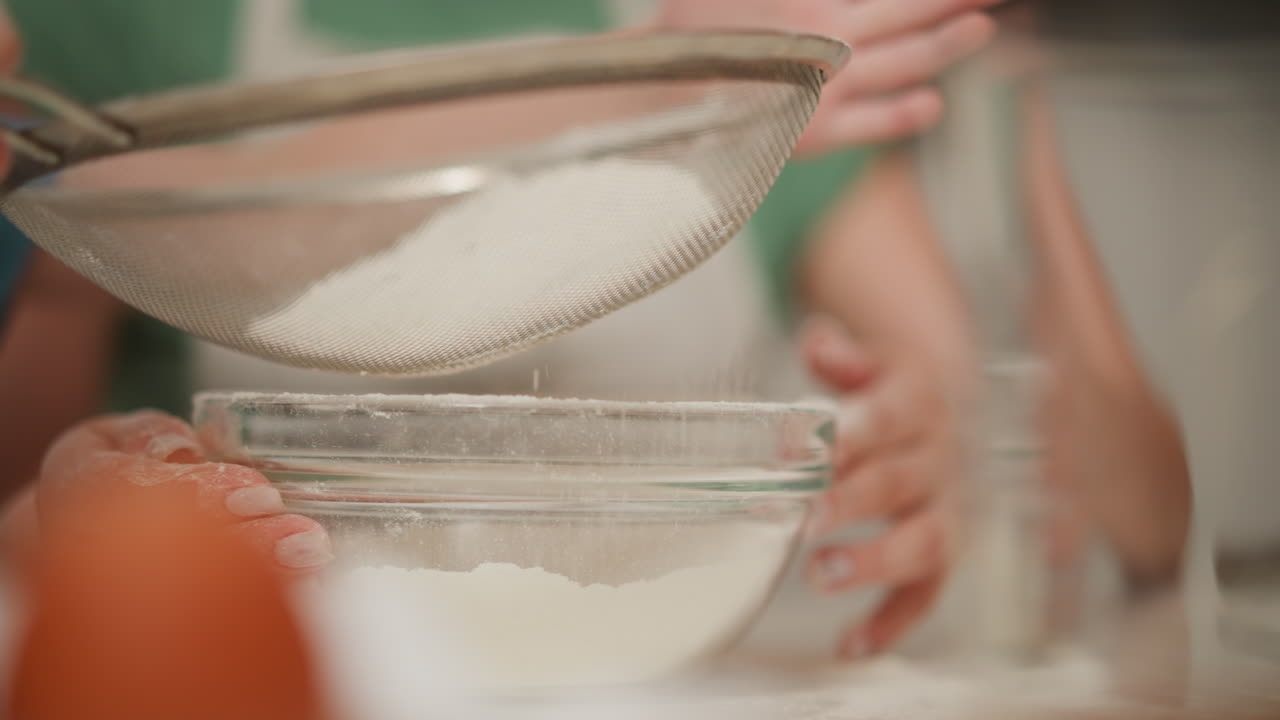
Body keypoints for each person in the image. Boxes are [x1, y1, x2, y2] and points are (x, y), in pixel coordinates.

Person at [0, 0, 1006, 659]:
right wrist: (77, 523)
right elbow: (20, 489)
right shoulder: (109, 23)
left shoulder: (756, 33)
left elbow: (948, 386)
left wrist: (919, 441)